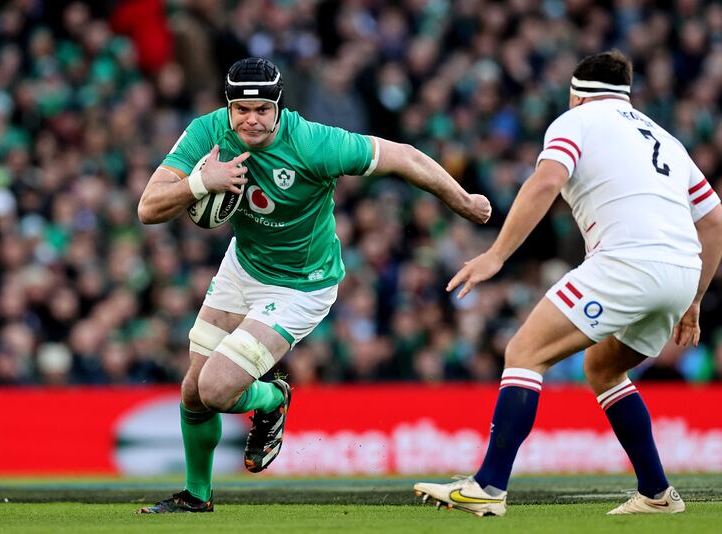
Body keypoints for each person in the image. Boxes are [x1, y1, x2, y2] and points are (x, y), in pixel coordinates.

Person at [136, 57, 492, 514]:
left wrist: (462, 201)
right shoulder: (207, 132)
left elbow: (404, 156)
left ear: (279, 107)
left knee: (217, 390)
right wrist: (203, 181)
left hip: (301, 286)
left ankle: (272, 398)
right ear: (227, 107)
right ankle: (196, 497)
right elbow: (148, 207)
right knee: (192, 390)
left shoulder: (313, 143)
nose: (251, 119)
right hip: (242, 267)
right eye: (241, 109)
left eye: (262, 109)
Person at [414, 49, 722, 516]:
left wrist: (496, 255)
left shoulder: (574, 121)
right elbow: (715, 219)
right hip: (681, 272)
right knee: (602, 368)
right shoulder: (665, 137)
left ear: (577, 95)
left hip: (627, 262)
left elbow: (545, 181)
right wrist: (696, 299)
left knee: (524, 353)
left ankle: (489, 486)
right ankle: (657, 493)